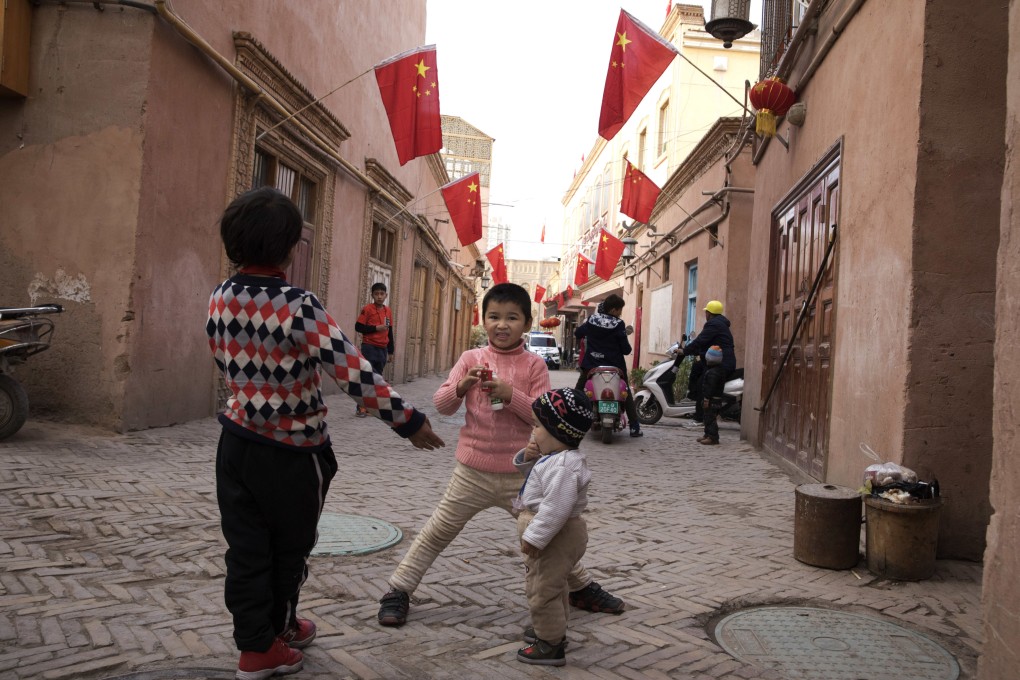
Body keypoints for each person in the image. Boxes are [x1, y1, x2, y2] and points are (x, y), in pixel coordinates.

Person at [207, 187, 445, 680]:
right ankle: (270, 640)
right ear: (290, 247)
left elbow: (226, 362)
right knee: (289, 548)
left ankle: (259, 639)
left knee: (247, 547)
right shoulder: (298, 304)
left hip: (235, 444)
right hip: (293, 453)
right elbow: (352, 371)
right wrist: (408, 421)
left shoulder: (220, 298)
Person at [377, 282, 625, 628]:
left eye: (512, 317)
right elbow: (442, 405)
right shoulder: (469, 359)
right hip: (471, 472)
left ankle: (581, 587)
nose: (501, 325)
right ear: (484, 320)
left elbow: (546, 417)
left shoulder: (535, 365)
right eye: (494, 317)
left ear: (526, 322)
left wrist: (510, 394)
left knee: (548, 536)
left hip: (524, 477)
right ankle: (398, 590)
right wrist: (461, 386)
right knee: (437, 531)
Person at [513, 388, 596, 667]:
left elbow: (555, 508)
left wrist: (535, 538)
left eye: (537, 426)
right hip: (555, 534)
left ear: (557, 430)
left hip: (555, 536)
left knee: (541, 590)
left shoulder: (563, 466)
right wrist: (529, 456)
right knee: (555, 584)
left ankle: (550, 644)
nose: (533, 432)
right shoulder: (556, 458)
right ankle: (552, 630)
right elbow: (536, 484)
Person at [573, 294, 642, 437]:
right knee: (626, 392)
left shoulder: (592, 320)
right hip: (614, 365)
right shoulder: (619, 324)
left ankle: (571, 420)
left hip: (591, 364)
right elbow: (626, 349)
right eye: (619, 310)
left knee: (579, 391)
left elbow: (577, 333)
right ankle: (634, 427)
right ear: (613, 310)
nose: (620, 313)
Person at [671, 300, 736, 443]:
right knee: (696, 370)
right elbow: (705, 343)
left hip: (720, 365)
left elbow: (701, 340)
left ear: (709, 313)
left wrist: (685, 350)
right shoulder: (720, 324)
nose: (705, 314)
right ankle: (706, 430)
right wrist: (695, 352)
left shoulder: (713, 325)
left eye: (706, 312)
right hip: (719, 361)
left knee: (705, 391)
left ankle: (708, 429)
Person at [354, 282, 394, 417]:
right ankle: (361, 407)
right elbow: (358, 327)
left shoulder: (388, 311)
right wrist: (376, 328)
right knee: (367, 377)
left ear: (386, 295)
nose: (379, 296)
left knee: (377, 379)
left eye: (382, 294)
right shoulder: (367, 309)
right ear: (372, 295)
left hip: (382, 349)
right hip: (369, 347)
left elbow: (389, 331)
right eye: (376, 294)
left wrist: (391, 351)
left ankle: (372, 407)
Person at [698, 346, 727, 445]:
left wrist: (706, 399)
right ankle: (707, 434)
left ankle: (713, 437)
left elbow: (710, 388)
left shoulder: (713, 373)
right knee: (707, 418)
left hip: (712, 400)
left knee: (710, 419)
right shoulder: (719, 370)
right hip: (715, 400)